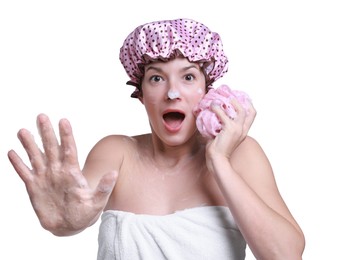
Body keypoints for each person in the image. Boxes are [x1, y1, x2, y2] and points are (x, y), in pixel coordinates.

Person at [8, 18, 305, 259]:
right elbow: (78, 209)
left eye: (188, 77)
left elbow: (286, 255)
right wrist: (66, 220)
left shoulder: (242, 154)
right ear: (141, 94)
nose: (172, 93)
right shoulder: (117, 152)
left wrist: (219, 161)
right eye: (157, 78)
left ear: (208, 91)